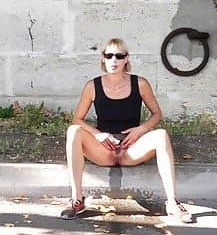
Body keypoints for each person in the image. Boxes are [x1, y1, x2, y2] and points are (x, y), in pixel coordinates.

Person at [61, 38, 194, 223]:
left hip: (131, 148)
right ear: (103, 59)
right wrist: (97, 134)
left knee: (161, 135)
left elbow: (156, 114)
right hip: (105, 149)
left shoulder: (140, 84)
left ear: (126, 59)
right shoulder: (92, 86)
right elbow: (77, 118)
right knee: (74, 130)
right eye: (109, 55)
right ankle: (76, 199)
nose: (113, 60)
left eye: (119, 56)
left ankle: (172, 202)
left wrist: (141, 129)